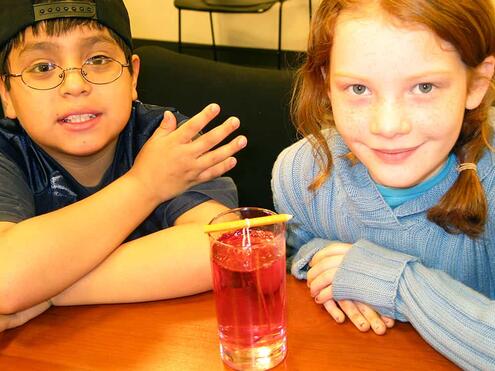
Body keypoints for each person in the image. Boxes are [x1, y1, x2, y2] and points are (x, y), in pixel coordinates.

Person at [272, 0, 495, 368]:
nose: (388, 126)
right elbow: (295, 252)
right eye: (358, 89)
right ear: (327, 83)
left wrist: (391, 280)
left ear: (477, 83)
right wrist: (321, 259)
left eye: (424, 86)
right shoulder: (303, 173)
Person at [0, 0, 247, 331]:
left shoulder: (167, 139)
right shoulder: (7, 153)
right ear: (6, 94)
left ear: (133, 77)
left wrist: (48, 291)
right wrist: (143, 186)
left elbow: (222, 247)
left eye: (98, 60)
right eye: (42, 67)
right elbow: (6, 275)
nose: (75, 85)